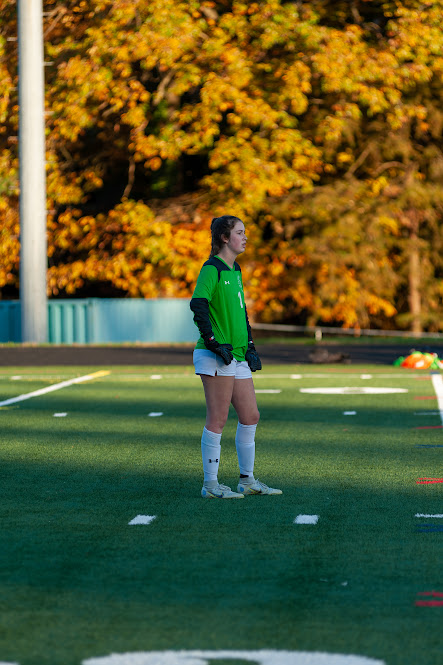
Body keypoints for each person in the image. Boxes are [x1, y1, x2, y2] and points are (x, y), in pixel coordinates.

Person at [190, 214, 282, 499]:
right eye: (240, 233)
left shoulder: (236, 269)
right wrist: (214, 342)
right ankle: (210, 485)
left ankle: (247, 480)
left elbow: (240, 312)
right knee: (217, 420)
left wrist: (251, 344)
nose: (245, 237)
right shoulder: (212, 269)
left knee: (250, 415)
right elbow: (198, 305)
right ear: (224, 238)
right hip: (216, 355)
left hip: (237, 354)